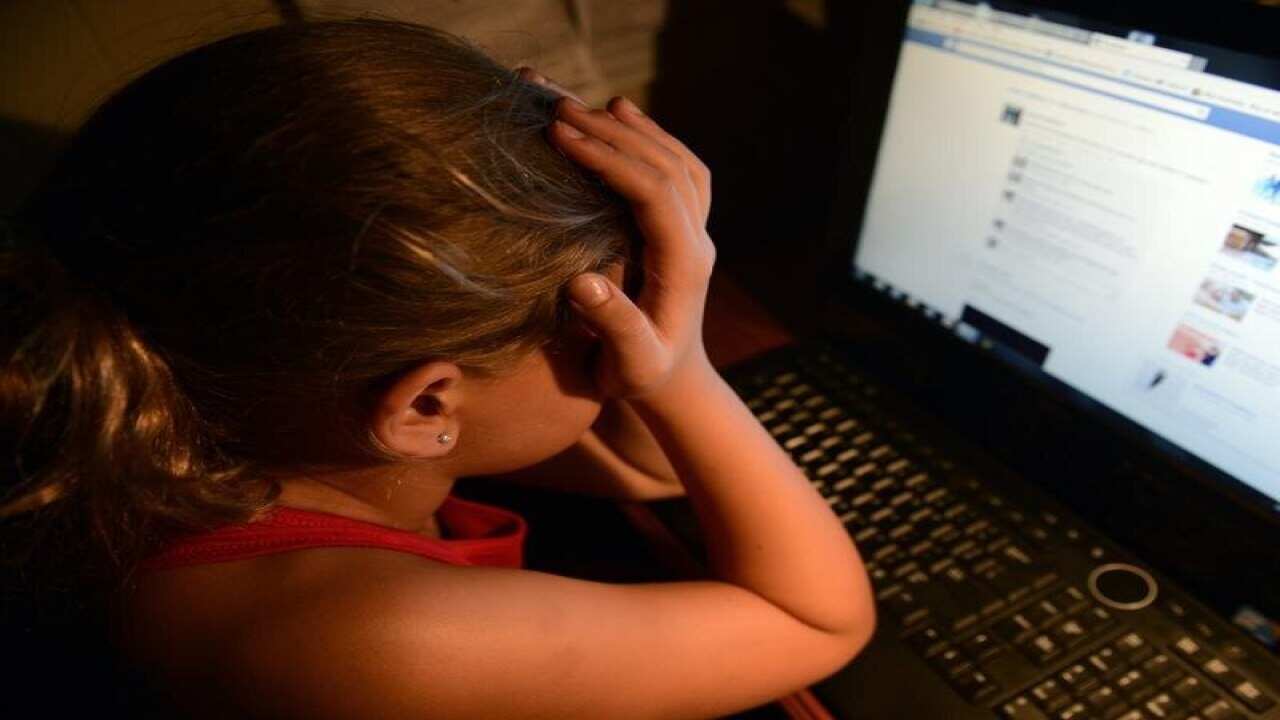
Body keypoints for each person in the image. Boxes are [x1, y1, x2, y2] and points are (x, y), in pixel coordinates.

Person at [0, 19, 875, 719]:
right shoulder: (368, 642)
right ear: (424, 404)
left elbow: (648, 473)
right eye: (603, 332)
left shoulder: (217, 410)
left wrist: (648, 325)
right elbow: (814, 618)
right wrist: (682, 376)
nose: (634, 347)